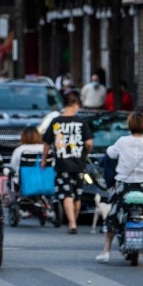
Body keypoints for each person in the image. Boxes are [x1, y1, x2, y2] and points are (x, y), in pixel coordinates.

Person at [96, 111, 143, 262]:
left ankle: (106, 251)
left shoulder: (122, 141)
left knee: (114, 214)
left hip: (124, 185)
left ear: (129, 125)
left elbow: (110, 154)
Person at [42, 91, 94, 233]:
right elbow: (89, 143)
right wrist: (86, 152)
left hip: (62, 164)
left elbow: (46, 143)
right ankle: (74, 221)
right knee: (77, 194)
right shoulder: (81, 122)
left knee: (66, 194)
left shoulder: (56, 122)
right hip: (79, 163)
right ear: (76, 104)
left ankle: (72, 223)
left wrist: (43, 160)